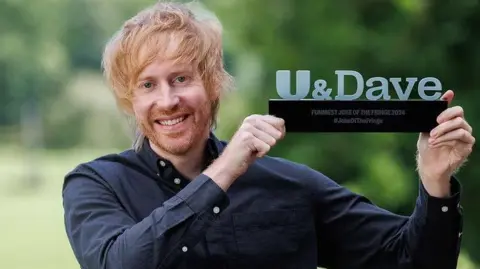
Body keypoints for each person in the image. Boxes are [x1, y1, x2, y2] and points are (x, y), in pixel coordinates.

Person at [61, 1, 475, 269]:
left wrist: (435, 183)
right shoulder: (96, 184)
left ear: (213, 84)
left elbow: (412, 261)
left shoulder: (291, 185)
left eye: (181, 78)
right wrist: (223, 173)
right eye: (147, 85)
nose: (167, 100)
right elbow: (119, 264)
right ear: (130, 99)